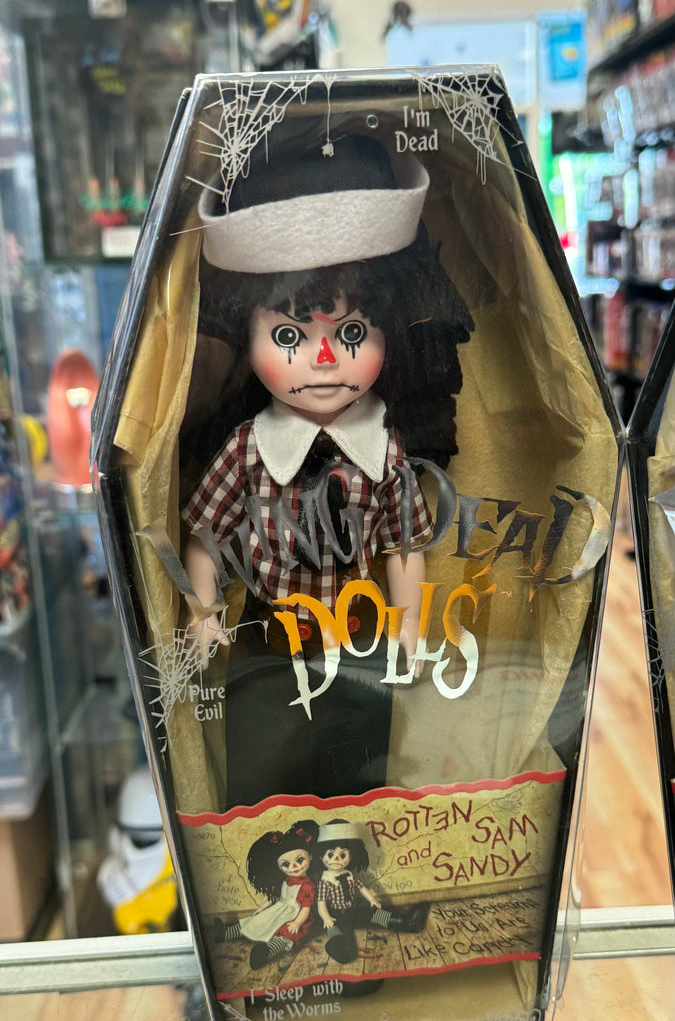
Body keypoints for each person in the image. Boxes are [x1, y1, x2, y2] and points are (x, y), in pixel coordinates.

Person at [181, 131, 474, 806]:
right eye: (288, 335)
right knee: (262, 773)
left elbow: (403, 546)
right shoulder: (248, 449)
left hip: (361, 637)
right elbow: (204, 536)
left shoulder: (385, 449)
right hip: (268, 642)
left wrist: (408, 626)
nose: (322, 360)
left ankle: (350, 841)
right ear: (246, 337)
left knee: (357, 767)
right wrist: (202, 612)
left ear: (388, 334)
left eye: (350, 333)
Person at [314, 818, 428, 965]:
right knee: (335, 931)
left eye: (342, 855)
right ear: (321, 856)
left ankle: (406, 922)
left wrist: (372, 900)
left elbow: (361, 887)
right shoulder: (325, 881)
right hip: (335, 916)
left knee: (372, 913)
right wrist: (326, 918)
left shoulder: (348, 875)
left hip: (352, 910)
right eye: (330, 854)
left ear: (351, 856)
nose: (336, 858)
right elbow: (321, 904)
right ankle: (339, 949)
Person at [215, 819, 318, 970]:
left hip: (296, 916)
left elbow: (306, 908)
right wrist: (262, 908)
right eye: (286, 864)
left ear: (310, 856)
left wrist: (297, 922)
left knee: (285, 934)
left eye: (300, 860)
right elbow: (276, 898)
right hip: (280, 909)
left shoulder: (307, 885)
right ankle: (225, 934)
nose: (294, 867)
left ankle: (267, 952)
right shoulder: (286, 880)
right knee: (255, 920)